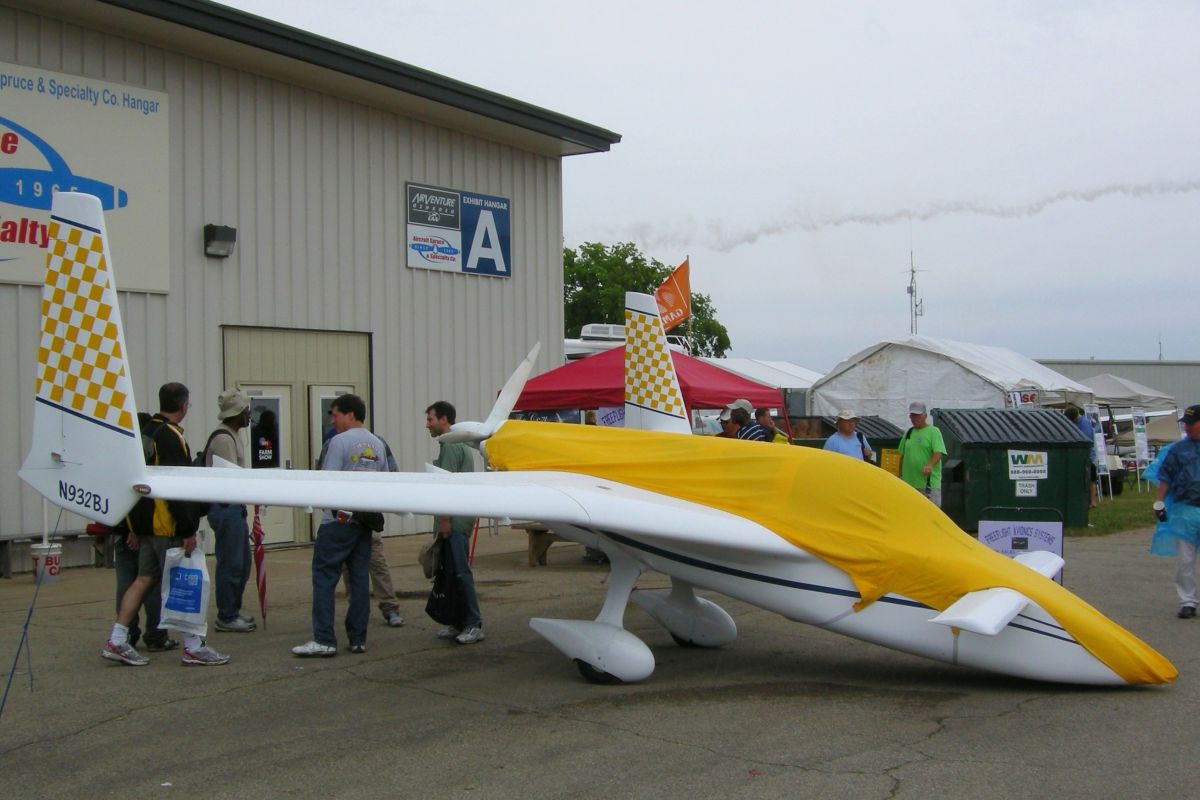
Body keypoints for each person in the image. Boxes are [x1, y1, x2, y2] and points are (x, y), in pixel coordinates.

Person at [101, 383, 229, 666]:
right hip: (166, 526)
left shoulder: (146, 432)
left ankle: (118, 638)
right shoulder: (171, 436)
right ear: (183, 406)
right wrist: (187, 529)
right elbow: (176, 487)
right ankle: (193, 646)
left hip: (145, 526)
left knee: (143, 579)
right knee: (184, 582)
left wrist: (133, 526)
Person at [293, 394, 388, 657]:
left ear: (349, 414)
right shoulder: (377, 444)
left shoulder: (338, 442)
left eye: (335, 415)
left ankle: (324, 639)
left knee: (324, 577)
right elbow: (386, 482)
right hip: (364, 522)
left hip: (337, 521)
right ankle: (358, 638)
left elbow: (328, 483)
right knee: (359, 580)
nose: (332, 421)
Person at [426, 400, 484, 644]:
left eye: (430, 419)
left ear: (443, 419)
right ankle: (458, 621)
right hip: (456, 519)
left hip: (455, 522)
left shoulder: (450, 445)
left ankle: (473, 623)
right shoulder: (455, 444)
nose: (427, 424)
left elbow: (447, 485)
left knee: (460, 572)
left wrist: (445, 520)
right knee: (450, 573)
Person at [205, 389, 256, 633]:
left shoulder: (232, 435)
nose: (249, 415)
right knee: (231, 562)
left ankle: (232, 610)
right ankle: (226, 615)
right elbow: (229, 477)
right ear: (236, 413)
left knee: (242, 562)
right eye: (246, 411)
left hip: (234, 507)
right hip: (226, 507)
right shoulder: (224, 439)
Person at [1150, 404, 1200, 619]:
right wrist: (1159, 502)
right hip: (1184, 511)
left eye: (1192, 423)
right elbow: (1166, 477)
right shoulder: (1178, 450)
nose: (1187, 427)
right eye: (1186, 424)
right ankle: (1188, 601)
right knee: (1185, 561)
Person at [897, 401, 947, 506]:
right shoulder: (909, 433)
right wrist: (897, 473)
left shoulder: (933, 431)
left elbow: (939, 452)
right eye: (912, 415)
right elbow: (901, 455)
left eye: (917, 415)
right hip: (908, 484)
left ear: (925, 416)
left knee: (930, 514)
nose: (914, 418)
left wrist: (930, 465)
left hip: (928, 485)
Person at [1065, 406, 1099, 509]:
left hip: (1088, 456)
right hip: (1081, 455)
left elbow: (1086, 440)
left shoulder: (1084, 423)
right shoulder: (1078, 422)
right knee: (1084, 479)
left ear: (1074, 418)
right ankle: (1086, 500)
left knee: (1091, 479)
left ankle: (1093, 501)